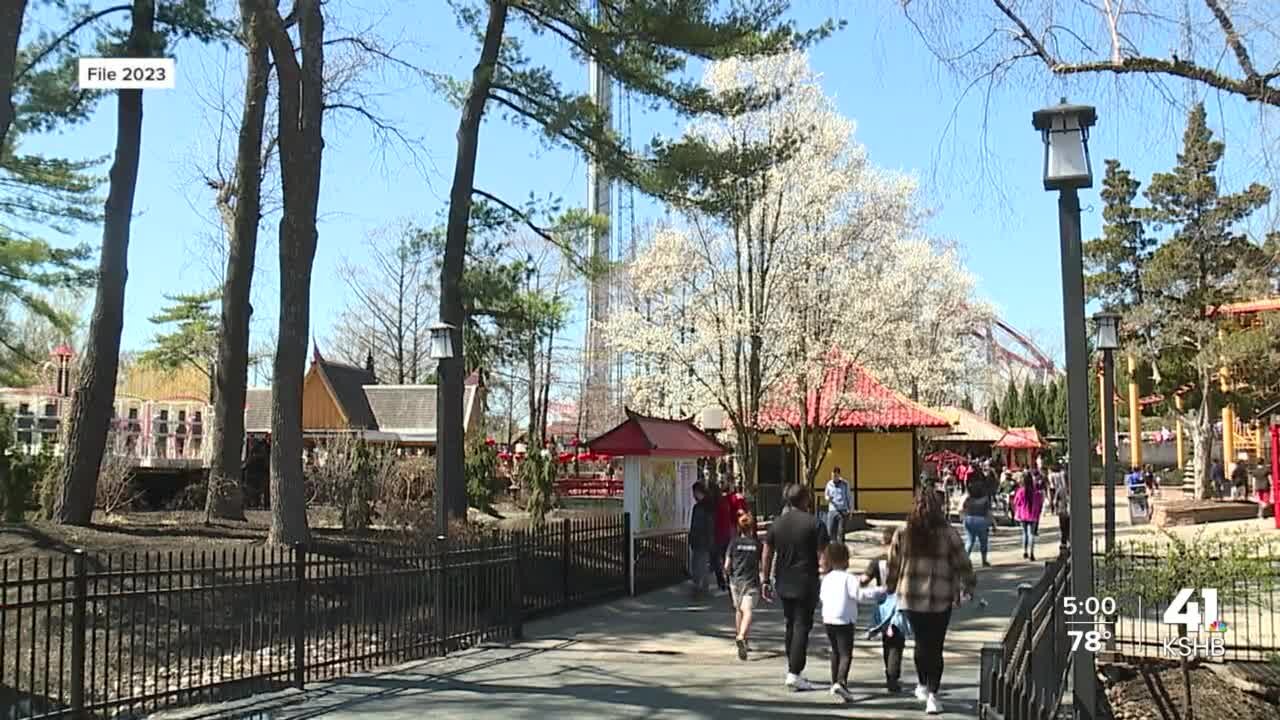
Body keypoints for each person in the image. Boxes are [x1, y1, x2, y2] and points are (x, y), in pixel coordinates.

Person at [885, 490, 976, 715]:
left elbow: (892, 564)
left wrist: (889, 587)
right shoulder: (948, 533)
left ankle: (923, 684)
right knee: (935, 645)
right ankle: (933, 695)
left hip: (911, 596)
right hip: (940, 596)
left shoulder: (903, 533)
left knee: (920, 641)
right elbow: (963, 563)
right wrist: (969, 585)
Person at [761, 483, 829, 692]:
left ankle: (792, 667)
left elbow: (767, 552)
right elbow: (823, 555)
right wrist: (826, 575)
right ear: (805, 499)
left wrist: (765, 579)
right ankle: (795, 671)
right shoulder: (814, 523)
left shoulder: (777, 523)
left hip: (783, 580)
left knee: (790, 623)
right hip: (806, 580)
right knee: (802, 625)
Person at [819, 542, 885, 703]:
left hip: (828, 618)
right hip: (845, 619)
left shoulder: (826, 578)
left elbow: (822, 597)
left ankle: (834, 681)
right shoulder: (849, 578)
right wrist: (879, 591)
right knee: (846, 653)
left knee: (835, 651)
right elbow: (859, 595)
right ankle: (841, 681)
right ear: (844, 560)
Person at [862, 526, 911, 694]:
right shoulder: (906, 561)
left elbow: (864, 579)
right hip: (900, 604)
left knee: (887, 641)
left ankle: (889, 673)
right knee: (897, 642)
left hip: (883, 606)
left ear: (883, 541)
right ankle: (893, 676)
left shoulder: (878, 561)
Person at [724, 512, 761, 660]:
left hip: (735, 581)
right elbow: (762, 564)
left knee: (739, 610)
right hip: (751, 581)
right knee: (748, 610)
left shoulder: (733, 543)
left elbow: (727, 565)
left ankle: (742, 639)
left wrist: (728, 575)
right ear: (752, 528)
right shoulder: (757, 545)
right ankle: (741, 636)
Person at [712, 476, 744, 593]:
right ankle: (725, 581)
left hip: (728, 530)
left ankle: (727, 581)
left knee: (726, 556)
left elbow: (741, 512)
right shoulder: (721, 499)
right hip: (724, 531)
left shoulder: (733, 498)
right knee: (722, 557)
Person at [688, 482, 715, 598]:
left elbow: (704, 525)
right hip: (701, 539)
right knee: (701, 564)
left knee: (699, 565)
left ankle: (700, 589)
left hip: (701, 539)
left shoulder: (702, 507)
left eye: (694, 492)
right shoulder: (705, 506)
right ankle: (702, 588)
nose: (693, 495)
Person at [1012, 471, 1044, 561]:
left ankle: (1025, 551)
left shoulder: (1020, 491)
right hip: (1033, 515)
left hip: (1022, 515)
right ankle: (1032, 553)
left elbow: (1015, 503)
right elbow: (1040, 503)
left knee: (1025, 533)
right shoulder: (1036, 492)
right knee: (1032, 534)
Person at [961, 481, 992, 567]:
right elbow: (988, 512)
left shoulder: (968, 499)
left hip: (969, 519)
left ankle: (965, 560)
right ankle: (984, 560)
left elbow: (962, 509)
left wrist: (963, 518)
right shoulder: (985, 499)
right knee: (983, 542)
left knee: (970, 541)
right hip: (982, 520)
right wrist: (993, 523)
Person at [825, 467, 852, 545]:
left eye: (835, 476)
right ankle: (830, 549)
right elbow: (826, 495)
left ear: (839, 475)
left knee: (841, 532)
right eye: (832, 476)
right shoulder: (829, 484)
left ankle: (840, 550)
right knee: (830, 531)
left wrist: (850, 510)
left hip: (842, 510)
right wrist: (828, 498)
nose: (833, 478)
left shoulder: (845, 484)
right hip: (832, 510)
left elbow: (849, 497)